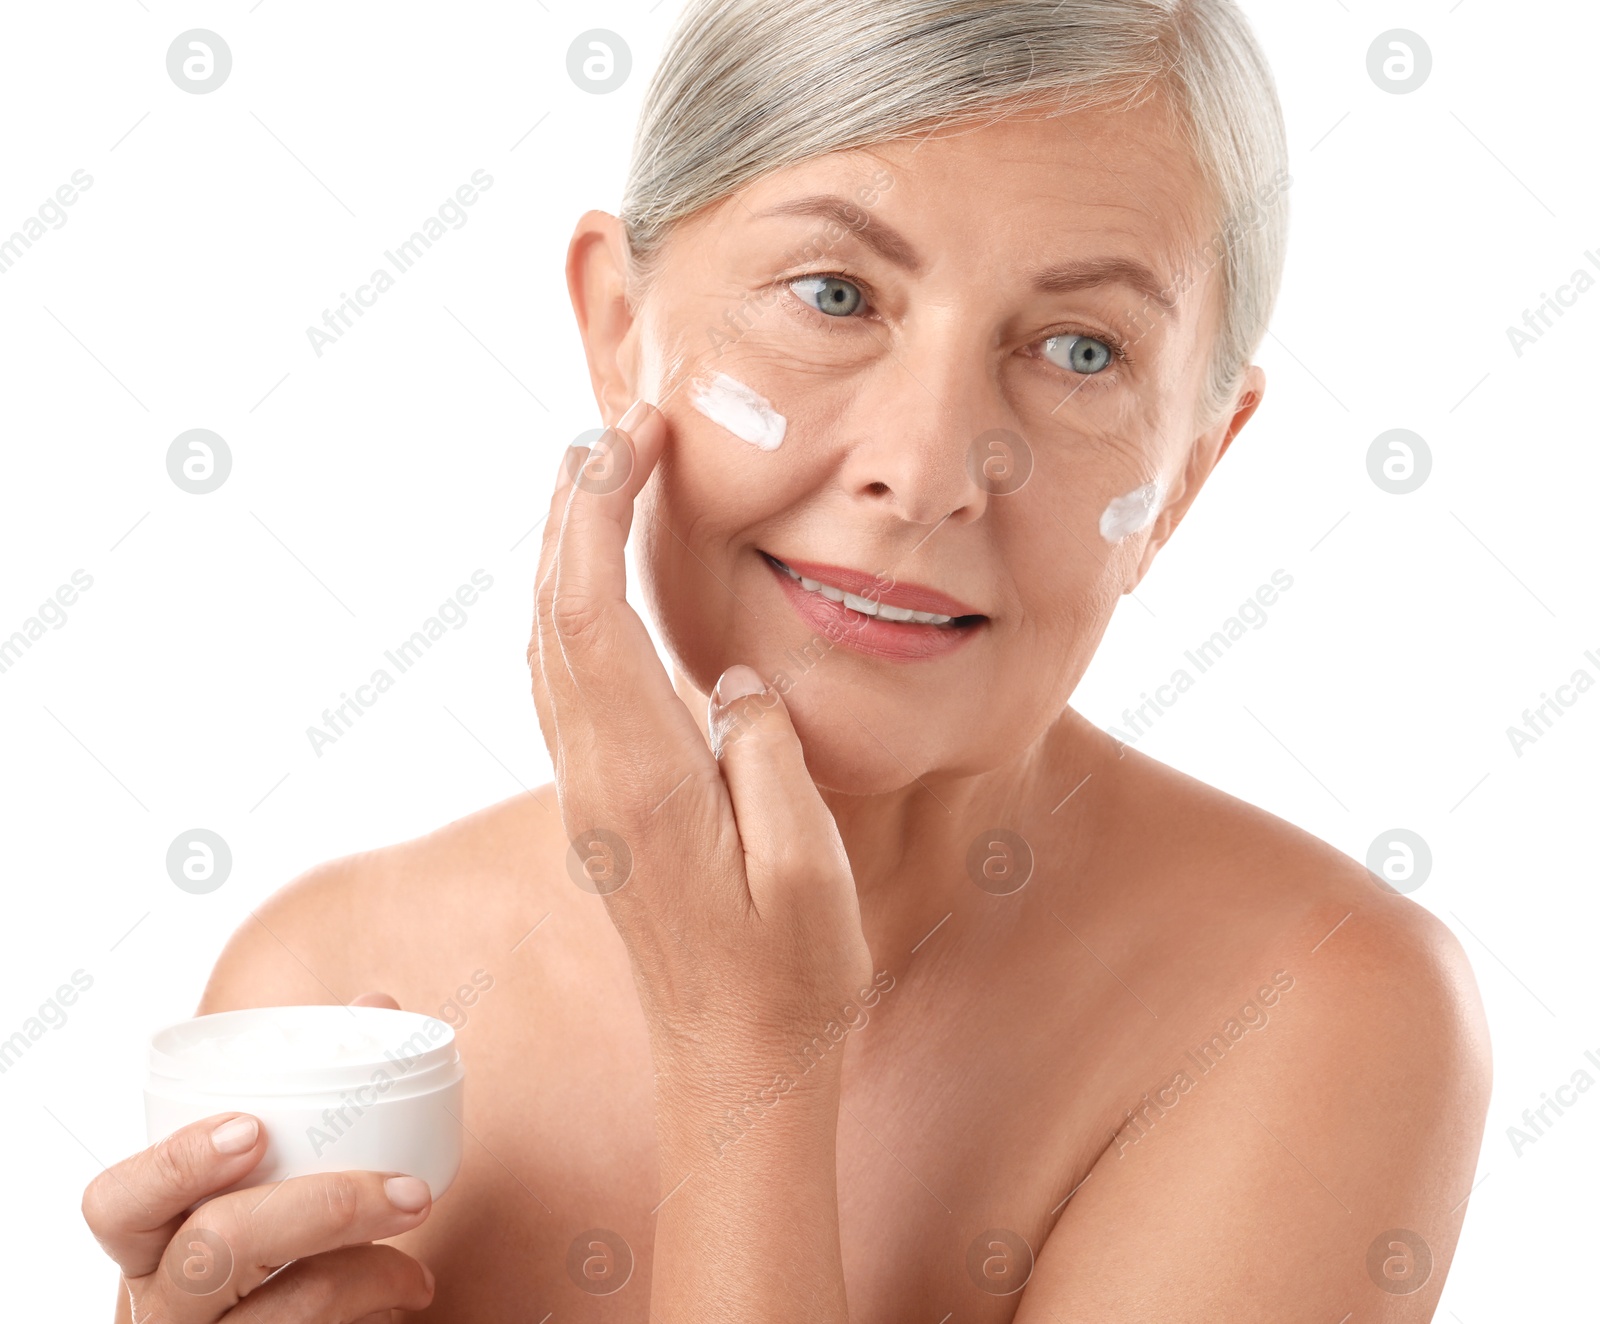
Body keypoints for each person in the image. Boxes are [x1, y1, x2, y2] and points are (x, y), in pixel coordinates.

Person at [83, 1, 1491, 1319]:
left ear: (1187, 474)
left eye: (1077, 349)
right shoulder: (330, 979)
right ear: (620, 336)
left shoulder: (1318, 1005)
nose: (929, 469)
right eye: (833, 295)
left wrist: (746, 1054)